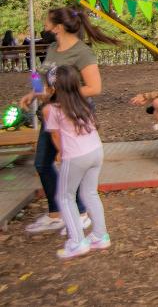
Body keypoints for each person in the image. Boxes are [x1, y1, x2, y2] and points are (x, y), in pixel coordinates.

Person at [19, 8, 119, 235]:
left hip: (73, 114)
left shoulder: (82, 53)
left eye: (47, 20)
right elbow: (50, 82)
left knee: (69, 162)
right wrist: (35, 94)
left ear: (58, 26)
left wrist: (59, 95)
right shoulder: (53, 48)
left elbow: (95, 88)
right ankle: (56, 214)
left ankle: (81, 213)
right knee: (43, 163)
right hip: (52, 112)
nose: (44, 23)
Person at [43, 66, 111, 258]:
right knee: (90, 193)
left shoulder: (52, 109)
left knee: (65, 197)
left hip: (75, 156)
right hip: (96, 151)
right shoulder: (83, 102)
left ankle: (77, 241)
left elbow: (56, 137)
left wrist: (60, 155)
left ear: (53, 87)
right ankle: (100, 235)